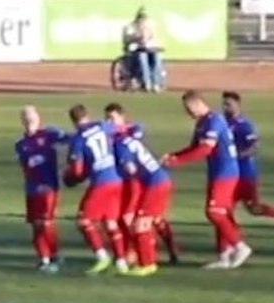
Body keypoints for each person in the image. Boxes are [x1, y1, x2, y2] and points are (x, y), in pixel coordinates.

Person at [163, 90, 252, 269]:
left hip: (226, 172)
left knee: (214, 212)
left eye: (189, 108)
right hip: (217, 171)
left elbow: (205, 149)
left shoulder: (215, 120)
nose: (188, 113)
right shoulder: (202, 123)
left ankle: (240, 247)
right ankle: (224, 255)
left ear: (198, 104)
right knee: (222, 213)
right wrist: (172, 156)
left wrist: (177, 162)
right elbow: (193, 147)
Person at [107, 103, 178, 275]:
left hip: (153, 183)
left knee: (140, 223)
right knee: (146, 220)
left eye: (112, 118)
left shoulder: (121, 144)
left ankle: (147, 263)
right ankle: (148, 257)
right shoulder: (126, 137)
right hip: (154, 181)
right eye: (107, 119)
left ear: (122, 118)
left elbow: (131, 169)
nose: (109, 122)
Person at [64, 104, 129, 274]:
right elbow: (121, 127)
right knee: (110, 222)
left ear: (74, 121)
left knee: (83, 221)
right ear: (88, 116)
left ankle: (102, 257)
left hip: (101, 183)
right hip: (117, 179)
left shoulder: (78, 139)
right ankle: (121, 262)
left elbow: (77, 171)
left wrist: (71, 178)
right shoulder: (102, 125)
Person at [222, 91, 274, 232]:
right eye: (224, 104)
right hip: (230, 174)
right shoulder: (223, 122)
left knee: (254, 208)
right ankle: (233, 240)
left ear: (238, 105)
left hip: (247, 174)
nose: (225, 107)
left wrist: (237, 156)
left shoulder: (245, 125)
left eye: (228, 104)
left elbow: (254, 147)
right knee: (224, 208)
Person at [15, 105, 70, 273]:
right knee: (36, 225)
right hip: (32, 190)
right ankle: (44, 258)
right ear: (22, 121)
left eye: (32, 116)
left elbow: (70, 138)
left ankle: (53, 254)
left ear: (38, 118)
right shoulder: (20, 144)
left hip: (49, 188)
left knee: (46, 223)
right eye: (26, 117)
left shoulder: (49, 135)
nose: (30, 119)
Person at [121, 8, 165, 92]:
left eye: (144, 17)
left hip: (151, 48)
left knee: (157, 58)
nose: (142, 19)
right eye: (141, 17)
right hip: (137, 50)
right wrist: (137, 37)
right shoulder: (130, 26)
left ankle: (156, 82)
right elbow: (127, 40)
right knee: (142, 59)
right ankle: (147, 82)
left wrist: (148, 35)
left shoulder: (151, 25)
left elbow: (154, 38)